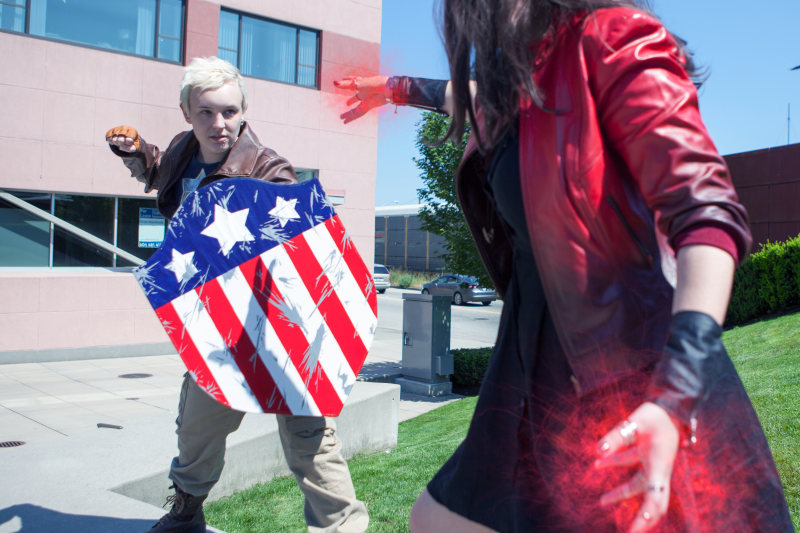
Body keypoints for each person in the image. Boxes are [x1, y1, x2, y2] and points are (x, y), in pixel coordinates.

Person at [335, 1, 793, 532]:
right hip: (528, 367)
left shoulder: (614, 39)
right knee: (436, 520)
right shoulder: (515, 86)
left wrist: (676, 392)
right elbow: (464, 97)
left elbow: (707, 216)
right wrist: (393, 88)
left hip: (622, 371)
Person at [107, 57, 369, 533]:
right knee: (197, 432)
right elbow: (162, 174)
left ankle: (342, 528)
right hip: (218, 328)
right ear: (187, 112)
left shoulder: (269, 169)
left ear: (243, 111)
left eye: (228, 111)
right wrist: (136, 151)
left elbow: (302, 245)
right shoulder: (183, 152)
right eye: (205, 112)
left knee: (312, 439)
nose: (218, 124)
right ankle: (187, 513)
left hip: (280, 327)